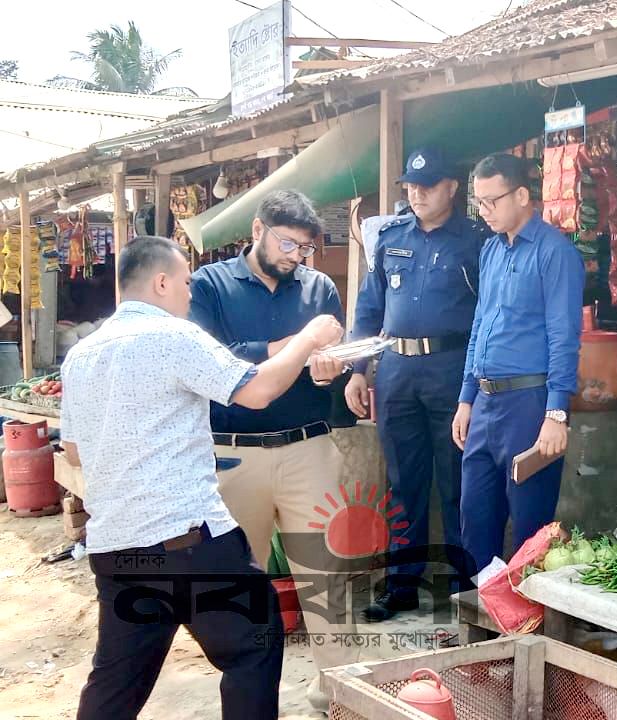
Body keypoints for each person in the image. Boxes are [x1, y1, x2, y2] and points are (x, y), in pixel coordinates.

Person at [64, 236, 344, 720]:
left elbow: (72, 449)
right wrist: (309, 339)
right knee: (253, 646)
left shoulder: (82, 356)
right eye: (186, 282)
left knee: (114, 684)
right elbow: (257, 391)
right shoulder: (176, 337)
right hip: (188, 543)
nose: (190, 294)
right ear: (161, 282)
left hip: (115, 550)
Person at [188, 190, 355, 708]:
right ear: (257, 230)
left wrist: (333, 366)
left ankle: (339, 692)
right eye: (288, 244)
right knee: (241, 582)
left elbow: (331, 360)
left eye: (305, 249)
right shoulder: (209, 285)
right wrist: (300, 344)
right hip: (234, 454)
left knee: (329, 577)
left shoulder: (319, 287)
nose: (296, 257)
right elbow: (214, 361)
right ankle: (252, 698)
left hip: (309, 447)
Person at [347, 147, 489, 622]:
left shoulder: (475, 240)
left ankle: (458, 587)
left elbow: (489, 315)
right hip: (396, 373)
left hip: (450, 370)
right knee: (402, 483)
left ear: (452, 187)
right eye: (410, 185)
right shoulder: (391, 238)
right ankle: (401, 585)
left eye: (427, 185)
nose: (417, 192)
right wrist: (358, 370)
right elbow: (369, 309)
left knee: (454, 481)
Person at [452, 153, 586, 573]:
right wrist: (465, 398)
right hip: (485, 403)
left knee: (530, 529)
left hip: (529, 402)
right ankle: (478, 621)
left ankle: (527, 629)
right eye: (479, 203)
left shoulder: (555, 253)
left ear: (523, 195)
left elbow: (564, 336)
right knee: (475, 519)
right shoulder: (490, 250)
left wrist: (557, 412)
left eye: (492, 201)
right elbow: (479, 326)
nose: (485, 211)